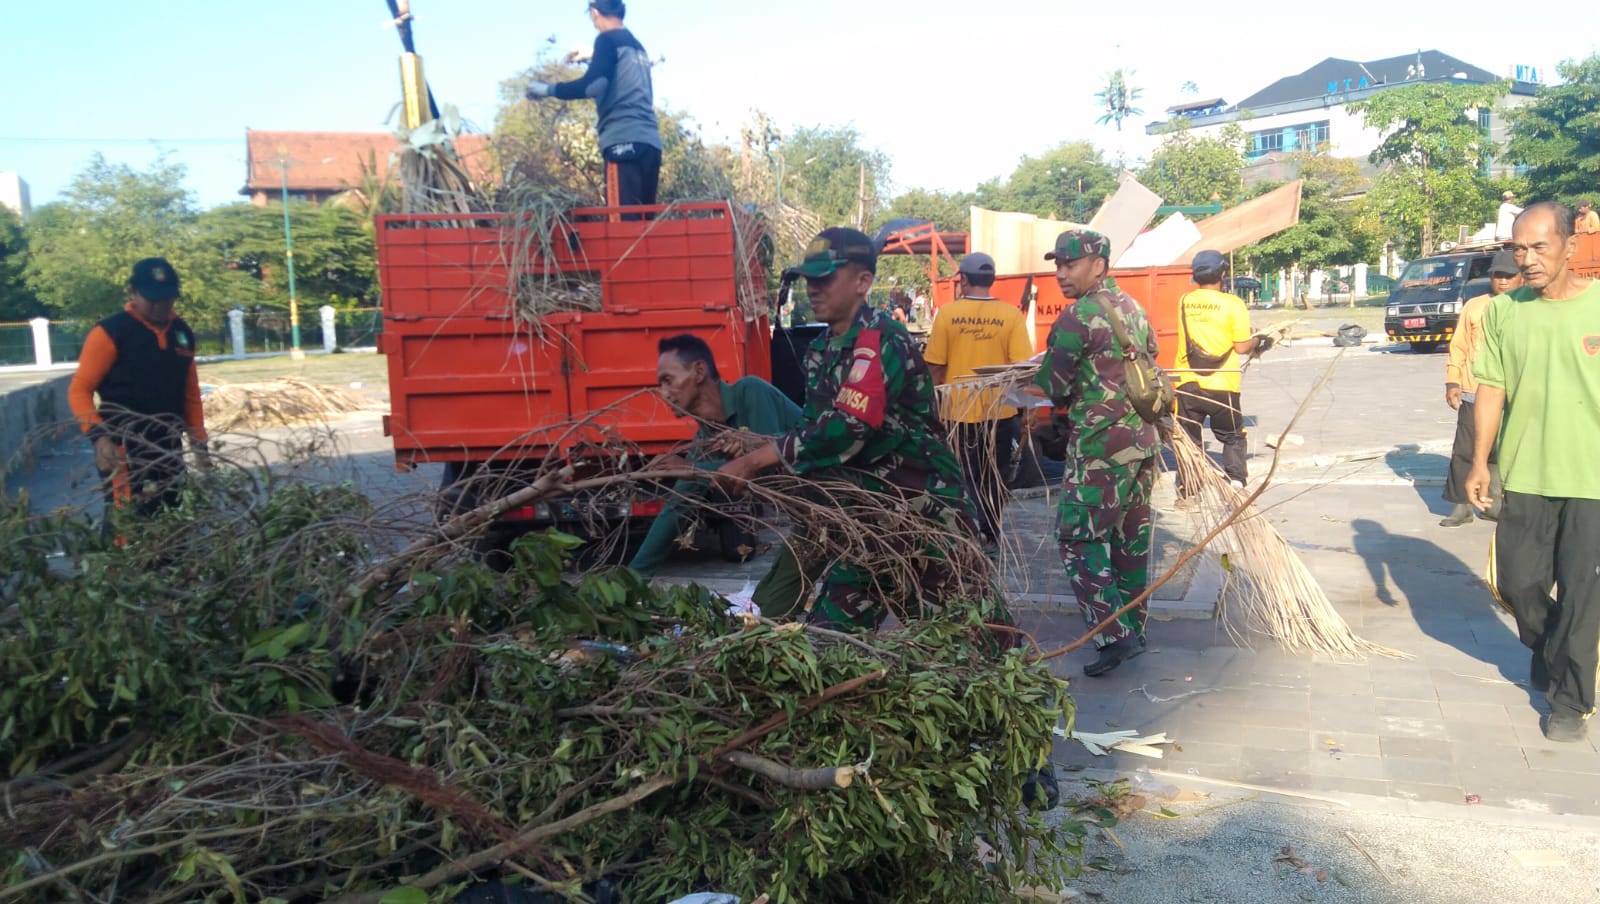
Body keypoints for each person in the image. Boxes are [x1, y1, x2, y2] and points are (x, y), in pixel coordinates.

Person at [713, 227, 986, 632]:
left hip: (924, 518)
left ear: (863, 282)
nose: (813, 289)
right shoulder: (822, 350)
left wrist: (758, 459)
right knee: (829, 637)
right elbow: (815, 431)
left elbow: (848, 427)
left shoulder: (879, 339)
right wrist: (761, 451)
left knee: (971, 639)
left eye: (825, 279)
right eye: (808, 280)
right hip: (864, 522)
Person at [1466, 202, 1600, 743]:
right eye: (1519, 248)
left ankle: (1571, 698)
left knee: (1581, 593)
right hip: (1525, 474)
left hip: (1592, 479)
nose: (1527, 258)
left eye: (1539, 246)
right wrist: (1480, 460)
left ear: (1571, 246)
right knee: (1516, 583)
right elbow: (1492, 387)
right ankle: (1553, 649)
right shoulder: (1506, 311)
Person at [1032, 230, 1161, 677]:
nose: (1060, 274)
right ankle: (1134, 629)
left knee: (1078, 538)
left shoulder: (1077, 316)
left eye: (1069, 265)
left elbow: (1053, 386)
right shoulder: (1133, 308)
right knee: (1129, 542)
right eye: (1058, 265)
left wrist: (1023, 382)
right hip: (1142, 444)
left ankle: (1112, 636)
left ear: (1099, 265)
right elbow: (1151, 356)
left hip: (1100, 449)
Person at [629, 336, 804, 611]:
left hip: (842, 506)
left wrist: (692, 470)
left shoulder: (750, 393)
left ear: (699, 372)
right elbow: (676, 510)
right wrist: (631, 582)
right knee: (761, 610)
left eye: (668, 380)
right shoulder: (708, 436)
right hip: (812, 524)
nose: (664, 393)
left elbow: (772, 473)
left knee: (771, 610)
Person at [68, 258, 210, 525]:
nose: (160, 306)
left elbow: (189, 394)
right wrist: (100, 438)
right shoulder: (110, 332)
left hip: (168, 445)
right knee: (130, 527)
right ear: (132, 293)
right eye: (152, 299)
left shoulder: (182, 333)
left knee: (173, 522)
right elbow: (79, 390)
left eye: (167, 298)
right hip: (123, 448)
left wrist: (199, 444)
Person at [923, 251, 1035, 542]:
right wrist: (1027, 413)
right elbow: (1022, 371)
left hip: (956, 414)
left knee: (960, 476)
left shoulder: (948, 314)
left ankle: (966, 534)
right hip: (1000, 415)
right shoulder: (1011, 315)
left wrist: (927, 410)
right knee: (993, 477)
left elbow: (934, 367)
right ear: (991, 280)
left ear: (964, 279)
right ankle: (990, 533)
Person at [525, 1, 661, 206]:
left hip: (623, 143)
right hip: (650, 144)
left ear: (594, 13)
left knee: (623, 229)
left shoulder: (606, 40)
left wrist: (547, 90)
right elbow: (622, 77)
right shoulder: (636, 46)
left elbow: (593, 86)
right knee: (644, 226)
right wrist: (593, 56)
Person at [1173, 250, 1265, 503]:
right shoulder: (1233, 304)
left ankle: (1188, 492)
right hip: (1222, 383)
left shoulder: (1184, 301)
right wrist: (1258, 338)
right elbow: (1241, 347)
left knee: (1188, 439)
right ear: (1223, 274)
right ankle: (1236, 484)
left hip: (1187, 382)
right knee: (1233, 435)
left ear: (1196, 275)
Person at [1439, 250, 1520, 528]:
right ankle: (1461, 507)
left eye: (1510, 276)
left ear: (1520, 277)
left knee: (1501, 452)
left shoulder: (1526, 306)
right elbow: (1459, 345)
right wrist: (1453, 381)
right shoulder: (1475, 306)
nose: (1504, 281)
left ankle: (1493, 504)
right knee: (1465, 451)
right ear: (1490, 277)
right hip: (1475, 392)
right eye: (1498, 276)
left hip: (1513, 396)